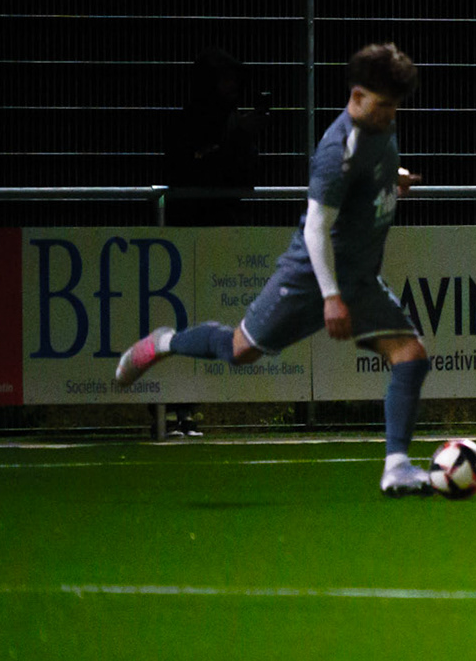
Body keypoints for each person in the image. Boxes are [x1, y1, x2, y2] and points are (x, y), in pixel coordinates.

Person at [117, 44, 434, 496]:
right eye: (383, 105)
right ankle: (166, 341)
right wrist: (329, 297)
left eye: (395, 106)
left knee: (411, 356)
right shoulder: (336, 150)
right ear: (357, 96)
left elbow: (371, 171)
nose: (390, 114)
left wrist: (391, 178)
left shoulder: (380, 127)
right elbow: (316, 231)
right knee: (239, 350)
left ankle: (397, 467)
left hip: (359, 279)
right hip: (308, 279)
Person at [159, 49, 268, 437]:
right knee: (181, 319)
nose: (232, 88)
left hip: (225, 232)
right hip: (188, 233)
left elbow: (245, 179)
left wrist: (243, 141)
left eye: (234, 81)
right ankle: (173, 408)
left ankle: (189, 407)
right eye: (225, 80)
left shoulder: (235, 123)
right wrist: (229, 145)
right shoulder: (188, 122)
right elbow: (184, 169)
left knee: (217, 322)